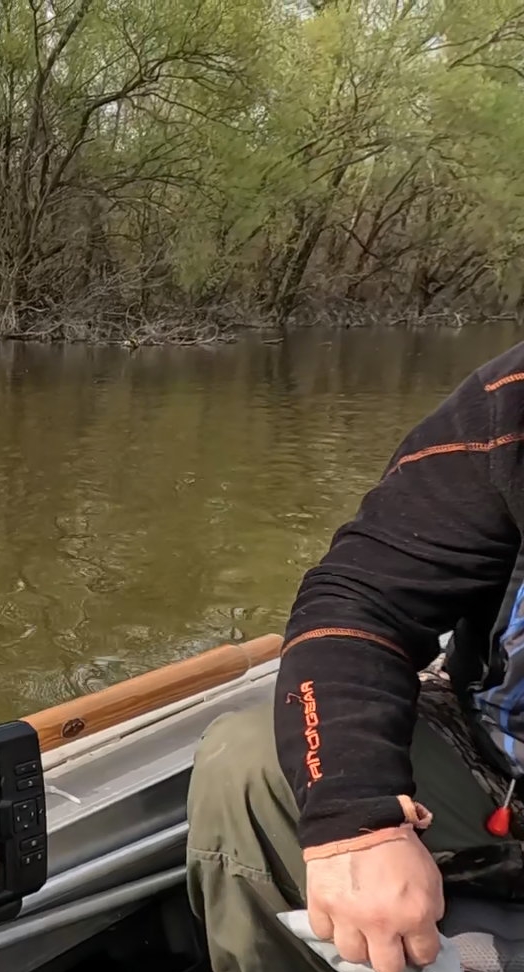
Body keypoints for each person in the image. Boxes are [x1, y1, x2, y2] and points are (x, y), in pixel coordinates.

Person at [186, 342, 524, 972]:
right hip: (498, 764)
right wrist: (357, 818)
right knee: (250, 765)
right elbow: (360, 599)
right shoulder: (512, 402)